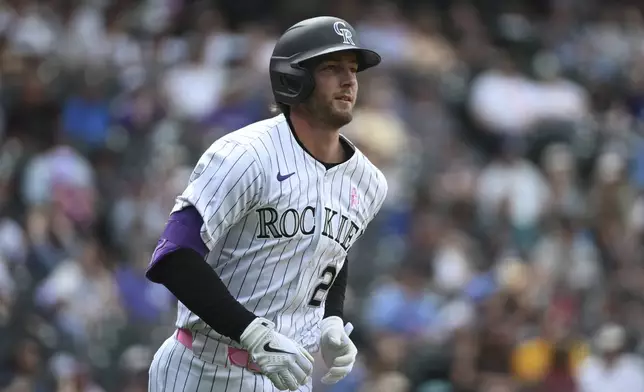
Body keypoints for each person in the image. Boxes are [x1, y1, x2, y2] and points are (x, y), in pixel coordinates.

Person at [145, 16, 388, 392]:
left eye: (353, 69)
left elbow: (331, 252)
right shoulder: (244, 154)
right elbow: (174, 256)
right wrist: (252, 332)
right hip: (204, 370)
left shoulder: (368, 182)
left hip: (289, 380)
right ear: (294, 78)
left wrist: (332, 320)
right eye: (331, 68)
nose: (349, 80)